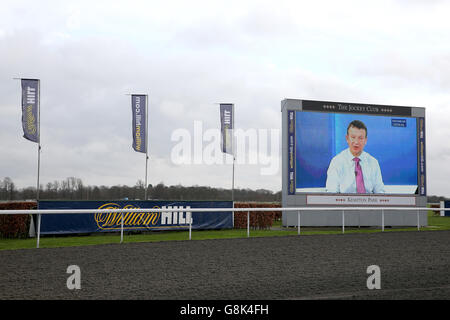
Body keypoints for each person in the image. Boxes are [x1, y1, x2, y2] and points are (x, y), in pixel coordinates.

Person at [325, 120, 385, 193]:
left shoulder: (373, 162)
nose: (356, 142)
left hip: (369, 203)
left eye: (360, 138)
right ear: (347, 138)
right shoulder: (337, 162)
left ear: (365, 140)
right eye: (353, 137)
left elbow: (379, 192)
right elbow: (332, 193)